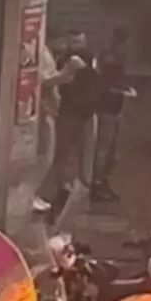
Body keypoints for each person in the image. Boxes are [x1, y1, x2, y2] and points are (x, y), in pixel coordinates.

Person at [35, 30, 97, 223]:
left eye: (81, 42)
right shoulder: (62, 61)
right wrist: (67, 73)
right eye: (74, 43)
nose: (78, 47)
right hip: (67, 114)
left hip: (87, 114)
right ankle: (59, 197)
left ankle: (79, 197)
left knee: (85, 160)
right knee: (59, 158)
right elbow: (53, 82)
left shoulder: (90, 60)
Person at [91, 28, 131, 203]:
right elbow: (105, 84)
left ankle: (102, 180)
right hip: (106, 109)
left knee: (112, 151)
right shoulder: (108, 60)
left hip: (116, 109)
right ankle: (96, 183)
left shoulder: (118, 60)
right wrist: (121, 88)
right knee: (103, 149)